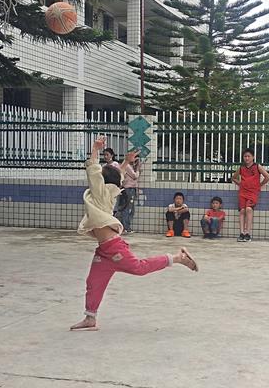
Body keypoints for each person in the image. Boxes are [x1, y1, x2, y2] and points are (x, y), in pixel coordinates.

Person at [70, 136, 198, 331]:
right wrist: (126, 162)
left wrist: (95, 149)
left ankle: (178, 258)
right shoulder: (110, 190)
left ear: (101, 180)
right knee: (93, 282)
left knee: (139, 267)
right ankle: (90, 318)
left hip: (113, 248)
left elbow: (93, 170)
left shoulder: (100, 192)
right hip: (104, 251)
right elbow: (117, 176)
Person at [232, 148, 269, 242]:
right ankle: (241, 233)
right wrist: (240, 184)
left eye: (249, 156)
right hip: (242, 192)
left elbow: (267, 176)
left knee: (249, 209)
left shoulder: (257, 166)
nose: (247, 158)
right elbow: (234, 178)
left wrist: (260, 185)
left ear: (253, 157)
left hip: (253, 192)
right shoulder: (241, 168)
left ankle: (247, 233)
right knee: (242, 211)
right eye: (245, 156)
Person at [117, 155, 141, 234]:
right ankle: (125, 227)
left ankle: (126, 226)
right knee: (127, 209)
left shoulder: (130, 166)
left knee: (130, 209)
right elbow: (135, 176)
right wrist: (137, 168)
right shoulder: (126, 166)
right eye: (135, 158)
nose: (136, 161)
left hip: (131, 189)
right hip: (127, 189)